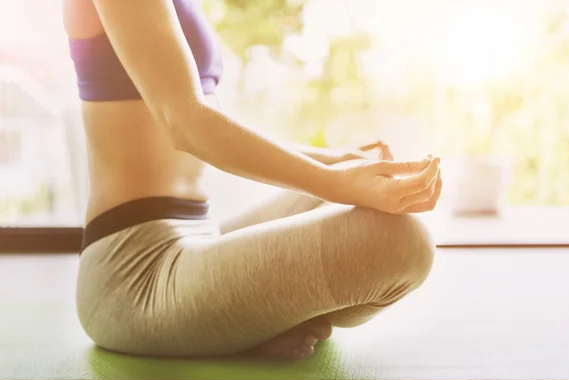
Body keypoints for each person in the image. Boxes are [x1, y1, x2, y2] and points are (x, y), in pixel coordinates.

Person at [64, 0, 442, 359]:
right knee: (404, 243)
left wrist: (339, 163)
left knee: (362, 210)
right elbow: (186, 125)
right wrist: (338, 181)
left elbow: (213, 125)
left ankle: (252, 325)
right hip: (134, 274)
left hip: (202, 237)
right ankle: (257, 324)